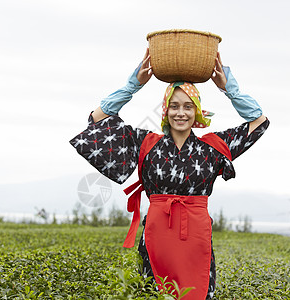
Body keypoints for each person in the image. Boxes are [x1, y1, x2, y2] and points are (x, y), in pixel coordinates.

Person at [70, 48, 269, 299]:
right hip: (157, 237)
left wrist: (229, 89)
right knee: (153, 293)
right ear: (165, 110)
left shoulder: (213, 146)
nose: (181, 113)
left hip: (196, 241)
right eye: (174, 106)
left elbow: (258, 122)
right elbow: (98, 121)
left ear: (196, 111)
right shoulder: (145, 142)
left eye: (188, 106)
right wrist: (133, 85)